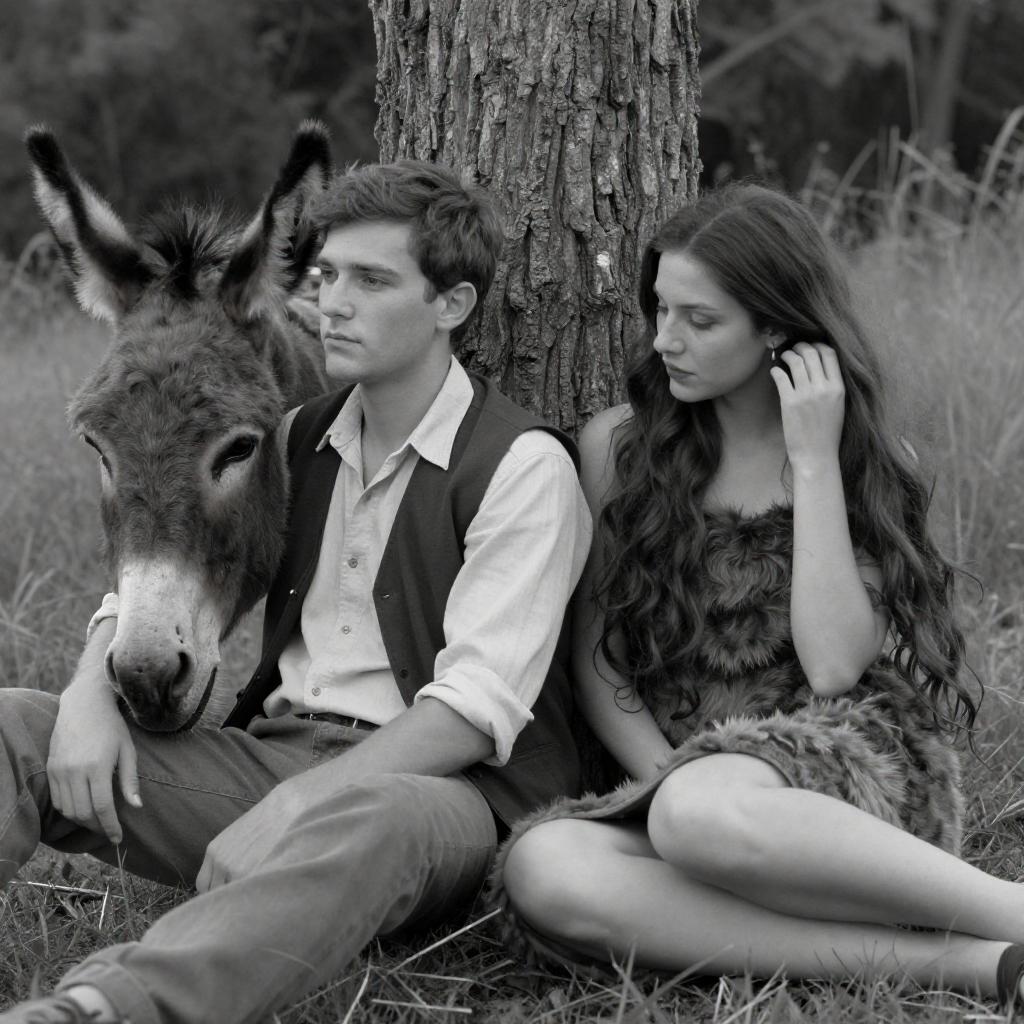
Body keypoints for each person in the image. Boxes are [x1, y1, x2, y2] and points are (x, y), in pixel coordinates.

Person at [0, 161, 591, 1024]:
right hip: (276, 756)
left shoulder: (523, 467)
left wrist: (296, 805)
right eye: (328, 276)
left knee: (370, 820)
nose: (334, 304)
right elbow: (182, 547)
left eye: (373, 281)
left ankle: (101, 1008)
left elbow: (472, 713)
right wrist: (92, 688)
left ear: (452, 304)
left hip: (437, 796)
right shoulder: (288, 438)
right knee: (15, 724)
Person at [492, 183, 1024, 1009]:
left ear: (775, 326)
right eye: (660, 310)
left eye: (700, 321)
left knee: (697, 812)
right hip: (690, 792)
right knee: (543, 866)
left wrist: (812, 460)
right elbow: (601, 667)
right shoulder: (618, 450)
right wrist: (671, 787)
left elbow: (834, 665)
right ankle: (982, 967)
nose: (666, 340)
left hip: (847, 769)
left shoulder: (863, 459)